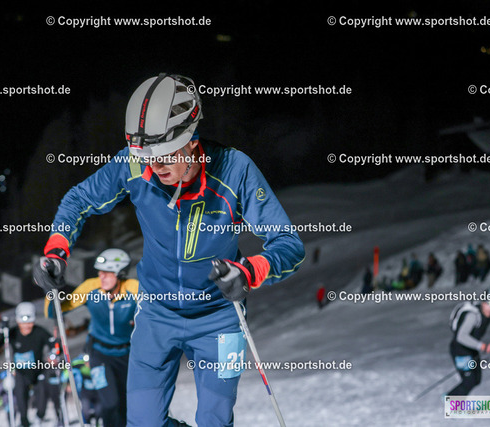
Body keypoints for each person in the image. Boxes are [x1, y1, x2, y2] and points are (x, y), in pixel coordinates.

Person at [34, 73, 305, 426]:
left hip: (220, 318)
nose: (154, 165)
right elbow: (78, 200)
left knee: (214, 421)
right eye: (145, 155)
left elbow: (289, 244)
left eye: (163, 154)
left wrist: (249, 271)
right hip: (156, 314)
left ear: (191, 140)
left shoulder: (234, 169)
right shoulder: (136, 164)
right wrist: (56, 251)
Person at [45, 248, 138, 427]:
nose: (101, 276)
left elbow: (153, 310)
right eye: (100, 272)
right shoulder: (91, 288)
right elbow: (54, 312)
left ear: (120, 273)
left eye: (107, 273)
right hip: (99, 354)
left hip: (127, 355)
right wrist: (51, 289)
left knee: (125, 403)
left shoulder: (133, 288)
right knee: (110, 403)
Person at [0, 302, 53, 427]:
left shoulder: (39, 332)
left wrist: (54, 352)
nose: (26, 326)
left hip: (38, 371)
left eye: (29, 323)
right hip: (20, 372)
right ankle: (24, 422)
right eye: (23, 323)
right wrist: (1, 330)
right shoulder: (13, 333)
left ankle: (39, 418)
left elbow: (54, 345)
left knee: (42, 402)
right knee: (21, 399)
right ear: (18, 321)